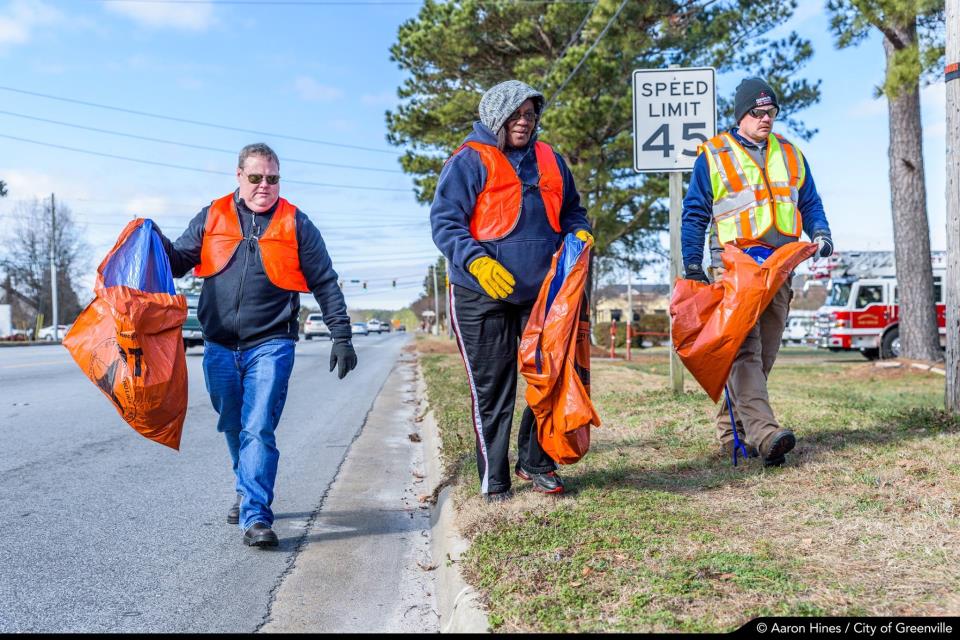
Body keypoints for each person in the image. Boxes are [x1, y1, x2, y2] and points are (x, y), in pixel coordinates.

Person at [159, 143, 357, 547]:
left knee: (258, 425)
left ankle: (255, 516)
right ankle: (244, 485)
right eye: (256, 177)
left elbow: (324, 281)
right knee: (233, 424)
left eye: (272, 178)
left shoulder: (296, 223)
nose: (265, 185)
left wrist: (342, 334)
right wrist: (153, 239)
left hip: (272, 342)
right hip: (218, 345)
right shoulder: (212, 215)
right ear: (238, 177)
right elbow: (178, 261)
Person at [431, 80, 594, 502]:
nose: (524, 122)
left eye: (530, 115)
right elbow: (445, 223)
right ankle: (496, 481)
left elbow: (574, 208)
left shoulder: (550, 159)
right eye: (515, 115)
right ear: (496, 116)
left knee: (552, 378)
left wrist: (579, 232)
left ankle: (536, 460)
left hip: (542, 295)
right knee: (494, 390)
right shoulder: (468, 160)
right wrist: (477, 261)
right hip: (479, 294)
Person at [680, 77, 833, 467]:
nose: (765, 118)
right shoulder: (713, 155)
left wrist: (821, 233)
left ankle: (733, 432)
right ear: (740, 116)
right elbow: (695, 213)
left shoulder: (791, 154)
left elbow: (810, 201)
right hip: (734, 266)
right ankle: (766, 435)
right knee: (744, 350)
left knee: (763, 353)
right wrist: (693, 265)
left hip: (781, 266)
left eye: (771, 112)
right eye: (757, 112)